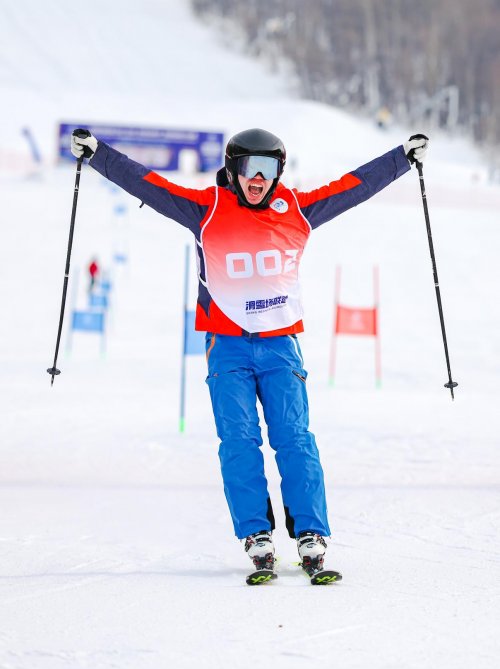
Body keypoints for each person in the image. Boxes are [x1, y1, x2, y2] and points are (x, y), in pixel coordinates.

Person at [71, 127, 428, 579]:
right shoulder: (205, 208)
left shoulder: (297, 208)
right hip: (227, 346)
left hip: (280, 344)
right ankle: (257, 533)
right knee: (239, 441)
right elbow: (148, 184)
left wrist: (401, 157)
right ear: (233, 169)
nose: (258, 178)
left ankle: (310, 533)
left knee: (294, 438)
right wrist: (98, 154)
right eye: (249, 168)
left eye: (268, 168)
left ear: (279, 172)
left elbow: (354, 187)